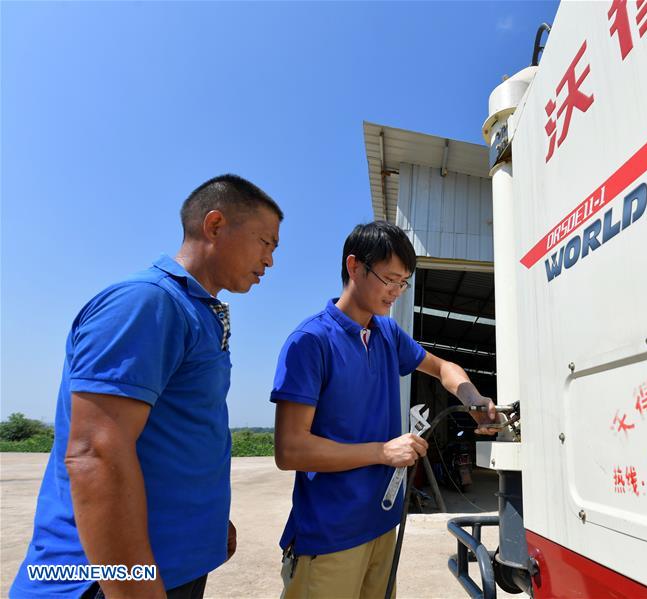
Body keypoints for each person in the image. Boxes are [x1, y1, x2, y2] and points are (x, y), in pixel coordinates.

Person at [11, 174, 283, 599]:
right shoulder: (147, 303)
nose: (269, 260)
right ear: (214, 226)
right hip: (106, 581)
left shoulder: (197, 313)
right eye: (265, 243)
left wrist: (207, 523)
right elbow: (95, 454)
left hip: (171, 566)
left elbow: (179, 432)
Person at [271, 220, 497, 599]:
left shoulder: (387, 334)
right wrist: (382, 451)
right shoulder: (310, 342)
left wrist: (472, 399)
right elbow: (290, 450)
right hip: (331, 536)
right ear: (354, 266)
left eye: (403, 283)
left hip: (382, 524)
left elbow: (442, 367)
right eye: (389, 279)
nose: (395, 292)